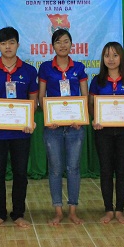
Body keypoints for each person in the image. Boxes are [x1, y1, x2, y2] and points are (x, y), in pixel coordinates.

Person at [0, 26, 38, 228]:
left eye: (11, 42)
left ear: (18, 44)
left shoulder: (29, 70)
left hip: (21, 133)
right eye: (3, 43)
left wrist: (30, 120)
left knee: (20, 174)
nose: (7, 47)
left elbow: (33, 101)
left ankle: (18, 213)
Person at [88, 42, 124, 224]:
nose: (110, 59)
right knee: (105, 170)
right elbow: (91, 104)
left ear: (121, 57)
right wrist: (95, 118)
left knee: (122, 170)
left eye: (115, 55)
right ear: (103, 59)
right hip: (103, 132)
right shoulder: (97, 81)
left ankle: (119, 209)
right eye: (107, 55)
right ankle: (108, 209)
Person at [38, 29, 88, 225]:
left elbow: (84, 96)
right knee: (55, 169)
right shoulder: (45, 68)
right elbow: (41, 97)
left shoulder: (79, 68)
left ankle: (73, 210)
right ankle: (58, 211)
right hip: (53, 128)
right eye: (58, 42)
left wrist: (81, 118)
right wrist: (48, 118)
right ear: (53, 46)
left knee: (73, 168)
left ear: (71, 44)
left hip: (75, 127)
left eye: (66, 41)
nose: (62, 45)